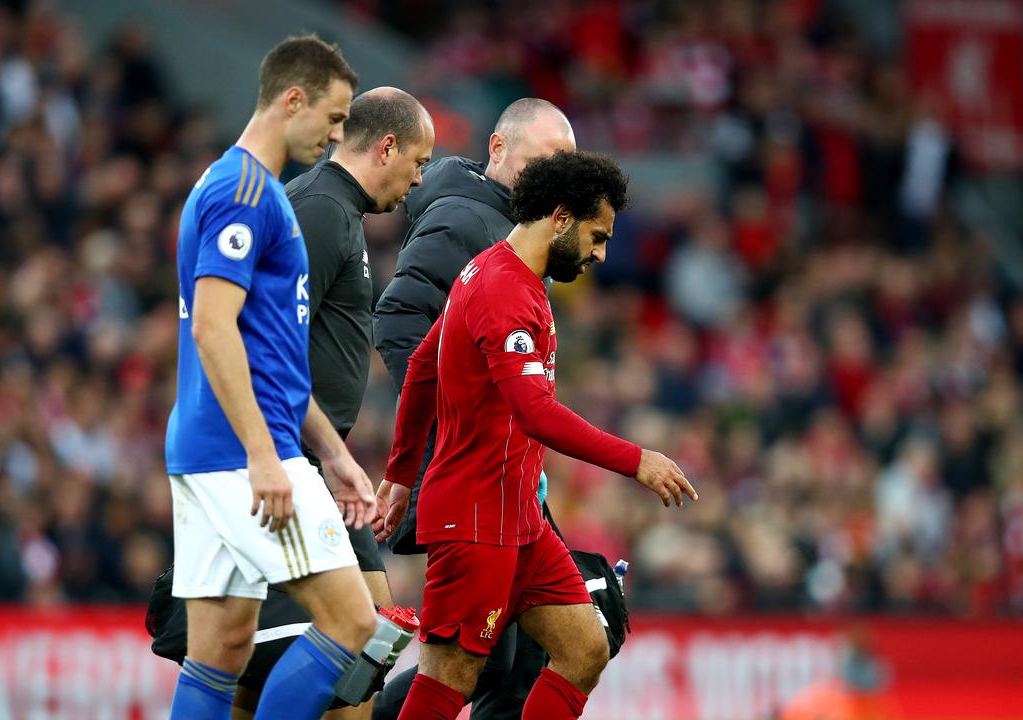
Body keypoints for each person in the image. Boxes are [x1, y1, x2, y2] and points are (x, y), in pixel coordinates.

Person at [375, 150, 698, 720]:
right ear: (562, 218)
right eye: (597, 237)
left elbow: (424, 369)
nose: (601, 254)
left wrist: (402, 476)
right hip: (476, 519)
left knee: (585, 648)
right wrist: (636, 460)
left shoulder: (496, 271)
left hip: (519, 517)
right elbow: (537, 414)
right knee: (451, 676)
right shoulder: (504, 291)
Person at [164, 35, 379, 720]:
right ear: (293, 100)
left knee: (220, 649)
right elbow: (212, 327)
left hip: (210, 450)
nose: (340, 134)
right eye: (336, 117)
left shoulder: (240, 186)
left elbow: (271, 352)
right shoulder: (246, 191)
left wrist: (335, 452)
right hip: (242, 452)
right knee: (355, 624)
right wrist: (266, 454)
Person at [228, 87, 435, 720]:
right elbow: (259, 339)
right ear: (387, 146)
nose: (419, 179)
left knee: (361, 647)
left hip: (319, 463)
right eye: (419, 162)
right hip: (288, 464)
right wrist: (282, 459)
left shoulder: (336, 210)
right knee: (337, 646)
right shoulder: (319, 210)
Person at [371, 98, 578, 719]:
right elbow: (400, 315)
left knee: (509, 660)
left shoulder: (514, 228)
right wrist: (460, 417)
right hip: (474, 475)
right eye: (543, 161)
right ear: (496, 149)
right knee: (490, 660)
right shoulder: (465, 219)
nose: (554, 177)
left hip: (502, 473)